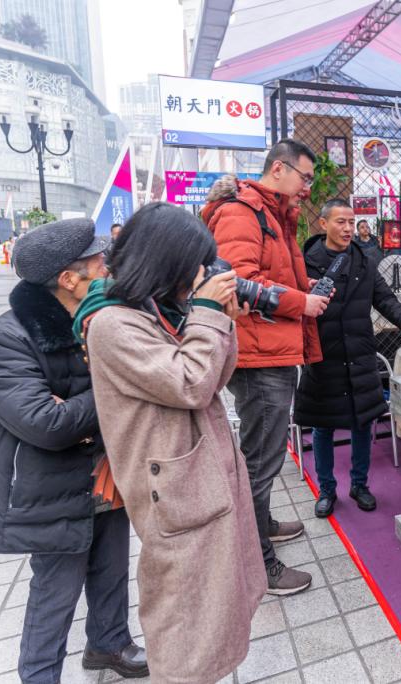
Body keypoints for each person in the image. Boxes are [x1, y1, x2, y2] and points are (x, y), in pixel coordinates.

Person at [77, 202, 264, 682]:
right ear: (164, 261)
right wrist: (204, 313)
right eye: (191, 268)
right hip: (176, 492)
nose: (196, 278)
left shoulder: (155, 310)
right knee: (183, 617)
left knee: (217, 602)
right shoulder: (112, 325)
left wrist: (223, 321)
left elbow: (213, 379)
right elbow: (190, 384)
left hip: (199, 478)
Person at [0, 218, 147, 683]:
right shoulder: (5, 339)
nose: (108, 268)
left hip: (104, 471)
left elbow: (73, 410)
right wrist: (115, 386)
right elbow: (44, 424)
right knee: (56, 593)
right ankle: (40, 675)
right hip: (47, 491)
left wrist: (79, 404)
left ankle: (109, 645)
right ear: (69, 279)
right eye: (98, 262)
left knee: (111, 569)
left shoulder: (95, 318)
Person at [201, 140, 330, 595]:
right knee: (260, 460)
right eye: (306, 178)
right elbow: (233, 280)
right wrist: (301, 300)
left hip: (271, 349)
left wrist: (301, 283)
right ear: (279, 169)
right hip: (259, 357)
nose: (308, 189)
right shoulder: (243, 212)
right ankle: (260, 563)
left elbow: (262, 275)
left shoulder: (270, 214)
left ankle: (263, 526)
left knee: (265, 455)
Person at [296, 199, 401, 518]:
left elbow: (383, 296)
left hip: (359, 353)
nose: (347, 229)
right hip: (323, 356)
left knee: (362, 422)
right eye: (340, 222)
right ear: (323, 224)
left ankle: (359, 484)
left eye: (352, 222)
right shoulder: (305, 262)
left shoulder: (364, 260)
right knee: (323, 427)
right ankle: (326, 489)